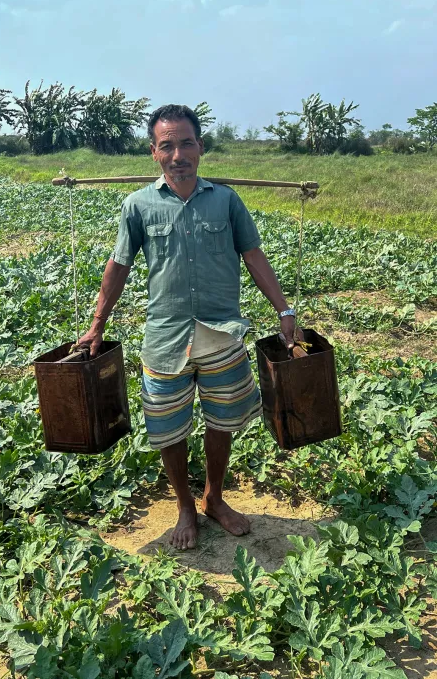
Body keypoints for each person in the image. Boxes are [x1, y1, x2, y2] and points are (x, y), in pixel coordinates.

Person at [79, 104, 301, 551]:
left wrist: (284, 309)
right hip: (165, 339)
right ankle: (184, 504)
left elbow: (253, 255)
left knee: (222, 421)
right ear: (154, 152)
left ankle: (214, 498)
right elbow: (118, 265)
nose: (177, 153)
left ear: (200, 148)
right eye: (167, 145)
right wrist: (97, 323)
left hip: (222, 334)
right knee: (169, 428)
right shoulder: (138, 205)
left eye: (185, 143)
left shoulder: (225, 200)